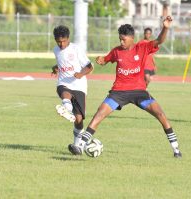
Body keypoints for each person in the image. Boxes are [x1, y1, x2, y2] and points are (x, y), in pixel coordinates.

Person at [69, 16, 182, 158]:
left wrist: (165, 27)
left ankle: (176, 149)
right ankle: (79, 146)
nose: (121, 42)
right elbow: (106, 59)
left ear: (132, 38)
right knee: (100, 113)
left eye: (124, 39)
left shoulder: (142, 46)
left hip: (139, 92)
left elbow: (159, 40)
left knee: (160, 114)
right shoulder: (117, 51)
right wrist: (101, 60)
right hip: (118, 92)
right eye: (120, 39)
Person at [52, 25, 94, 155]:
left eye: (64, 41)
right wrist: (56, 68)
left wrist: (81, 74)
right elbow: (61, 62)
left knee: (79, 119)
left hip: (79, 85)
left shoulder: (76, 49)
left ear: (68, 38)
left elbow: (89, 66)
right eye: (58, 41)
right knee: (64, 92)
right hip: (64, 82)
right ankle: (66, 107)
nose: (61, 44)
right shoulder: (56, 50)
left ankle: (77, 147)